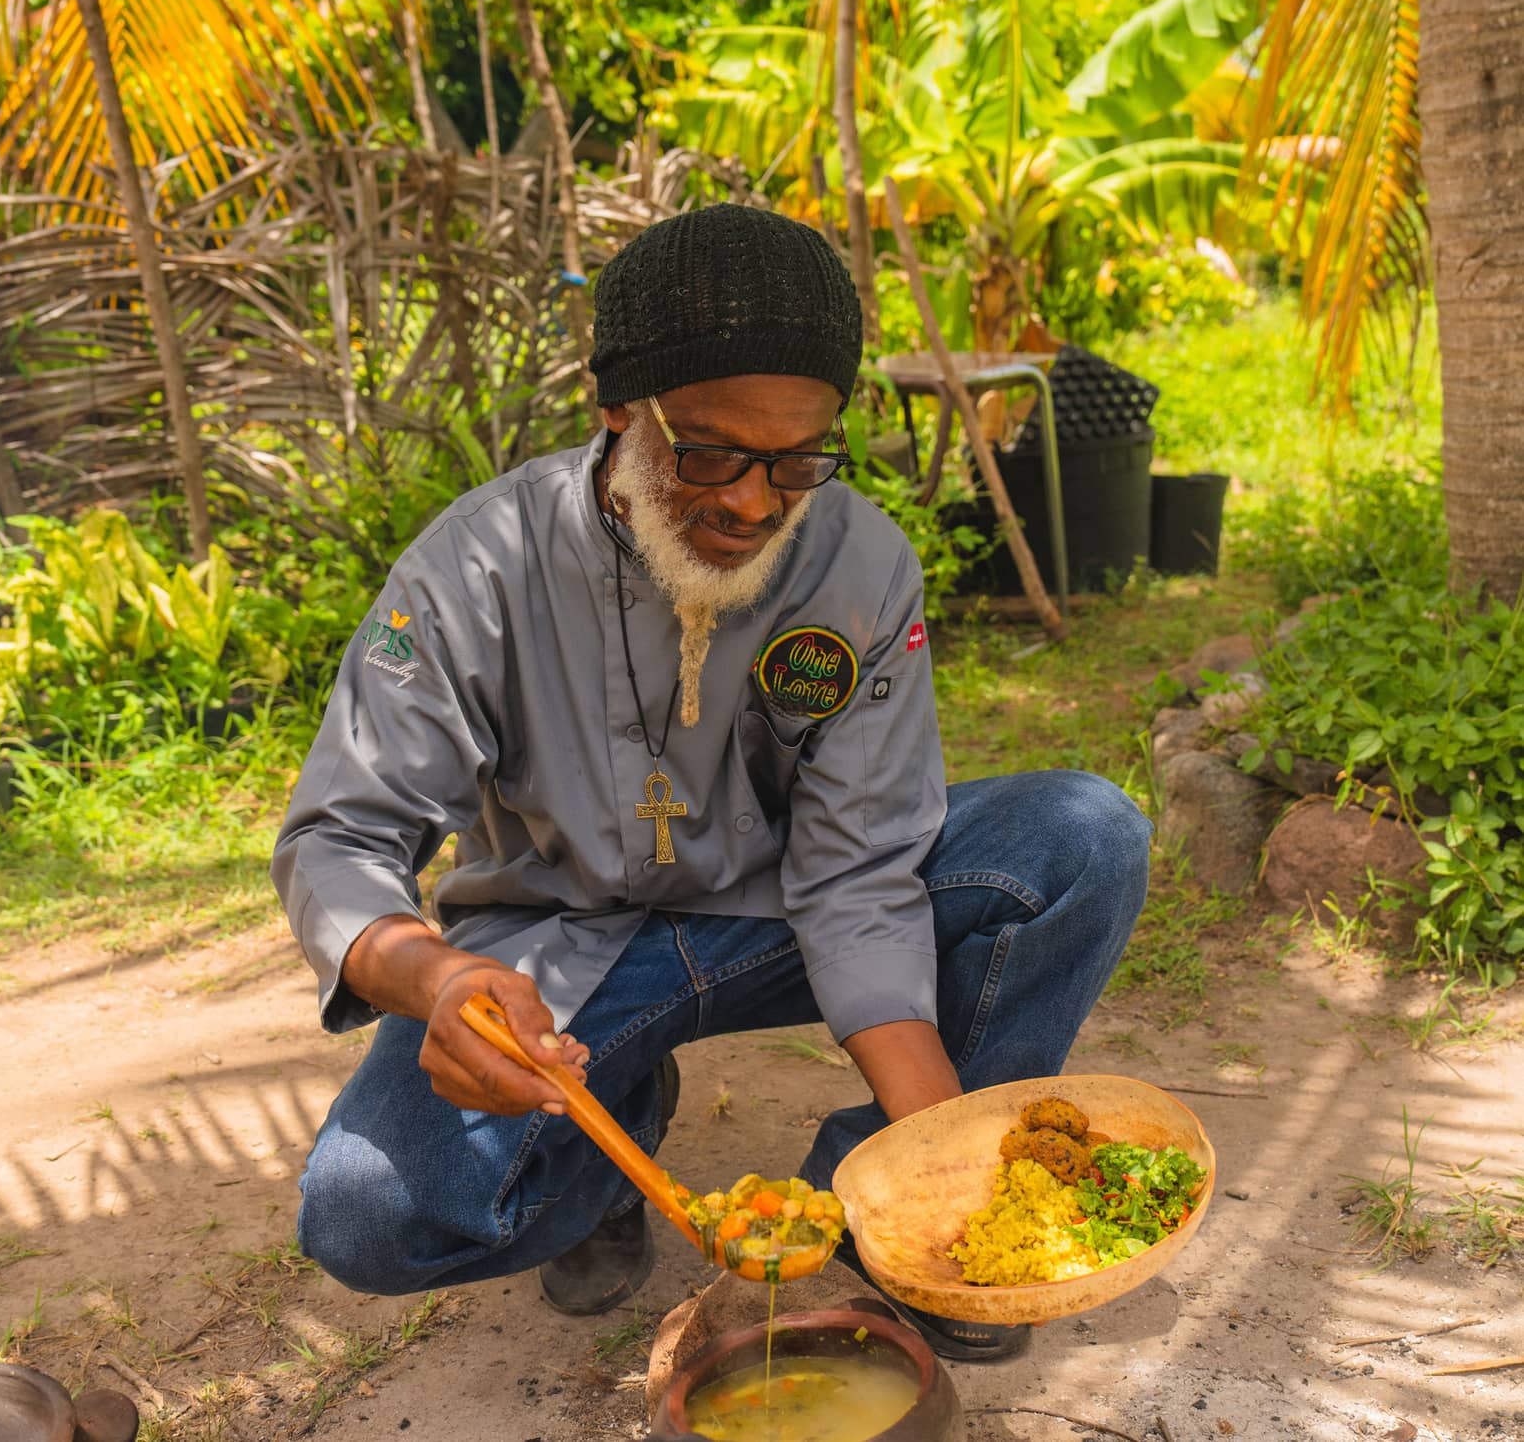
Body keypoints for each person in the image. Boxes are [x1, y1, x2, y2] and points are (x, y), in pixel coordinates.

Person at [272, 203, 1151, 1362]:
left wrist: (937, 1168)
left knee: (1083, 833)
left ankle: (868, 1196)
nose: (750, 501)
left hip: (775, 917)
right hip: (560, 952)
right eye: (709, 451)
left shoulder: (860, 563)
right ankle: (606, 1137)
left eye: (797, 460)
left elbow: (857, 874)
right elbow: (339, 840)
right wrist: (434, 979)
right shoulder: (475, 567)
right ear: (616, 410)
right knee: (367, 1216)